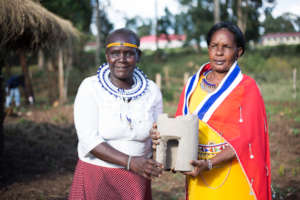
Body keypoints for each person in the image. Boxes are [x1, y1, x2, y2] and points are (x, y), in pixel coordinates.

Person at [151, 21, 271, 200]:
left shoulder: (247, 87)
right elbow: (181, 126)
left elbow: (248, 139)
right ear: (208, 49)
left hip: (234, 174)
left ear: (238, 52)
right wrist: (161, 136)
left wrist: (209, 164)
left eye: (227, 47)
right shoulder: (193, 84)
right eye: (214, 46)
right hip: (198, 174)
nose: (219, 52)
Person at [68, 28, 163, 200]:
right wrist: (131, 162)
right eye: (115, 53)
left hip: (137, 178)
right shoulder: (90, 87)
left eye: (128, 53)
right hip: (97, 176)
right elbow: (89, 140)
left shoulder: (152, 91)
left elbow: (157, 136)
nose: (121, 59)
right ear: (107, 56)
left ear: (138, 56)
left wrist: (161, 140)